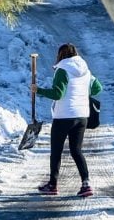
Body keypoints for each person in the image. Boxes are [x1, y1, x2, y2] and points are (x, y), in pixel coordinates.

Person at [32, 43, 103, 197]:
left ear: (61, 55)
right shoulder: (85, 70)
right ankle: (86, 184)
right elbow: (98, 88)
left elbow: (58, 94)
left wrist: (39, 91)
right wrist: (81, 92)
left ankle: (52, 185)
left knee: (56, 151)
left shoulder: (62, 69)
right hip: (82, 116)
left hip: (64, 116)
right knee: (76, 151)